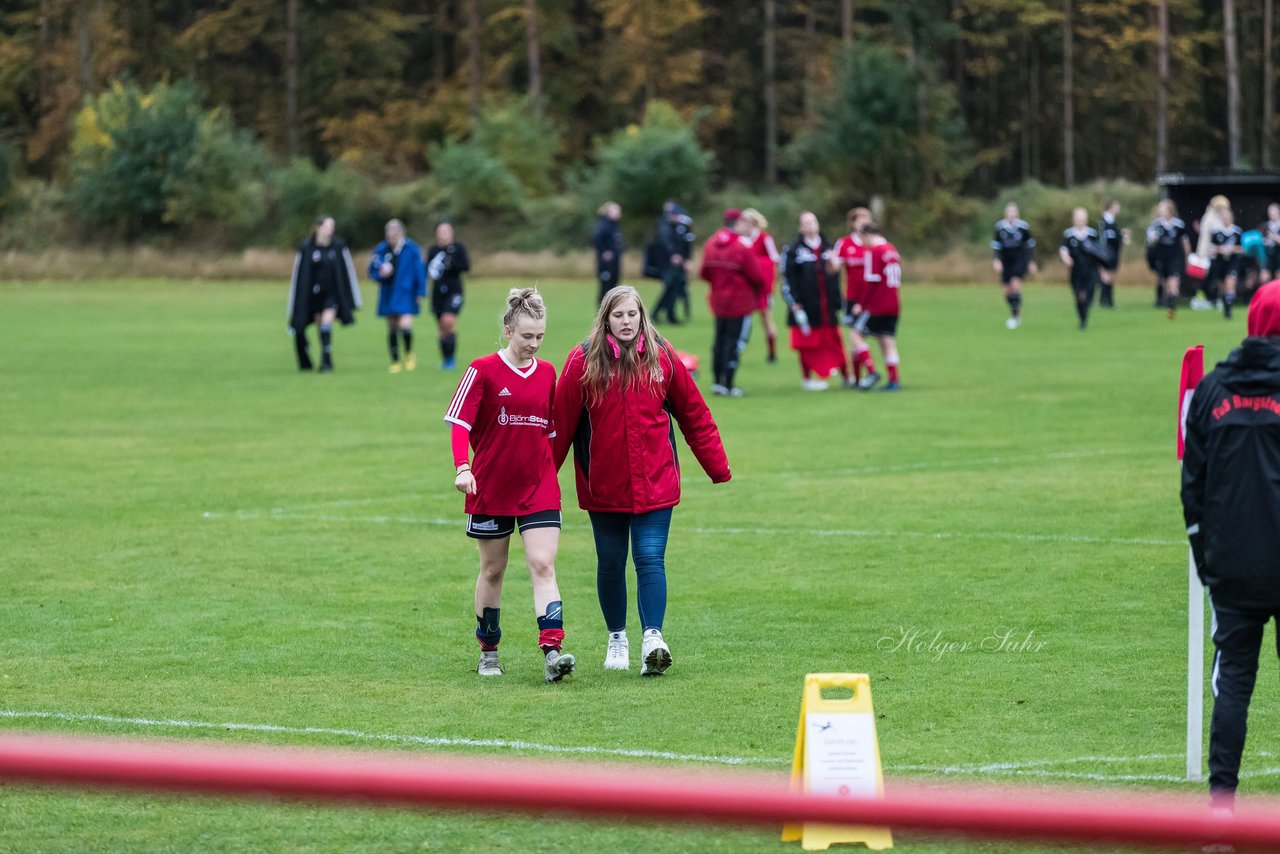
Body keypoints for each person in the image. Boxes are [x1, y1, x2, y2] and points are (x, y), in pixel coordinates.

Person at [552, 285, 731, 676]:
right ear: (606, 319)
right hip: (604, 488)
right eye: (618, 315)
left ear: (641, 316)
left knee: (650, 559)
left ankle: (653, 638)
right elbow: (559, 427)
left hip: (656, 483)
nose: (626, 321)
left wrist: (717, 466)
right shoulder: (582, 361)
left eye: (632, 314)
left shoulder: (663, 356)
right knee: (611, 563)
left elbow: (694, 414)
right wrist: (542, 482)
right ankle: (617, 638)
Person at [1181, 279, 1280, 816]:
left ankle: (1221, 809)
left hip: (1232, 564)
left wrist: (1205, 558)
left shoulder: (1215, 388)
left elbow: (1191, 484)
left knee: (1234, 683)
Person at [443, 288, 575, 683]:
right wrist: (462, 467)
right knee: (493, 570)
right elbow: (459, 423)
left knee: (543, 564)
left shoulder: (549, 373)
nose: (533, 345)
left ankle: (553, 652)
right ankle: (489, 650)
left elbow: (552, 433)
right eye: (526, 336)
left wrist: (550, 474)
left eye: (540, 337)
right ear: (507, 331)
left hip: (539, 489)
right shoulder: (481, 370)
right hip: (490, 489)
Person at [699, 209, 767, 396]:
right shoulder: (742, 246)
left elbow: (704, 273)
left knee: (719, 340)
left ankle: (717, 382)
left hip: (718, 301)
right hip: (740, 302)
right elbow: (757, 276)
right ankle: (729, 384)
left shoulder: (711, 243)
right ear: (737, 223)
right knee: (734, 343)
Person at [780, 211, 847, 390]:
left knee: (835, 341)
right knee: (807, 344)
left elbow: (835, 275)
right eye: (806, 223)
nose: (810, 225)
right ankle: (807, 379)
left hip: (827, 306)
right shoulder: (793, 249)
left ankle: (847, 376)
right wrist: (794, 304)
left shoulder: (828, 247)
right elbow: (787, 278)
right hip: (806, 306)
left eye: (813, 221)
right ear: (800, 227)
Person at [286, 215, 361, 372]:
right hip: (313, 295)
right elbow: (299, 276)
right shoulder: (307, 248)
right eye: (327, 226)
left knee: (326, 322)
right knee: (318, 324)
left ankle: (326, 361)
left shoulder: (338, 246)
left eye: (332, 226)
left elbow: (347, 272)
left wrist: (352, 299)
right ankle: (312, 358)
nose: (330, 230)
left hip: (331, 294)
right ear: (317, 228)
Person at [848, 222, 903, 390]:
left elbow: (870, 282)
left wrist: (861, 305)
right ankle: (894, 380)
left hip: (878, 305)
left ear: (866, 235)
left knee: (855, 335)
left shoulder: (874, 252)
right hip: (894, 304)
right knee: (887, 341)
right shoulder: (892, 250)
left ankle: (871, 371)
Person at [369, 219, 427, 374]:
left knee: (405, 325)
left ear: (401, 233)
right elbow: (373, 271)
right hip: (388, 292)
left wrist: (420, 291)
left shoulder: (412, 249)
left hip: (406, 292)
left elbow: (419, 271)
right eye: (389, 235)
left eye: (395, 235)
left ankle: (408, 354)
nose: (392, 238)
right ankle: (395, 361)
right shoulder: (381, 250)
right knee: (392, 327)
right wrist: (381, 274)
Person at [830, 206, 875, 386]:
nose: (864, 222)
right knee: (855, 337)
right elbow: (834, 268)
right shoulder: (844, 243)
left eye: (867, 219)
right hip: (852, 298)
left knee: (862, 336)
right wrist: (830, 262)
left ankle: (869, 373)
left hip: (872, 298)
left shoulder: (875, 242)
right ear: (853, 223)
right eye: (860, 219)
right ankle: (857, 378)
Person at [426, 222, 471, 370]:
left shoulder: (458, 248)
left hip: (454, 291)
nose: (443, 233)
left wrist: (451, 264)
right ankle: (446, 360)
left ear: (452, 233)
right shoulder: (433, 250)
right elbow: (428, 270)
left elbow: (465, 266)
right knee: (441, 327)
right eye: (440, 231)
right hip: (437, 293)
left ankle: (451, 359)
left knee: (448, 321)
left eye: (446, 231)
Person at [740, 208, 781, 363]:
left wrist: (771, 285)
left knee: (766, 319)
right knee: (744, 320)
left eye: (747, 221)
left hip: (762, 287)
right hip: (747, 287)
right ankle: (738, 350)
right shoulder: (741, 239)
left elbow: (774, 260)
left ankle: (772, 353)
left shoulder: (764, 238)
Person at [991, 202, 1038, 329]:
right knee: (1007, 292)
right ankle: (1015, 311)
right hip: (1006, 262)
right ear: (1006, 214)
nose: (1011, 215)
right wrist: (996, 260)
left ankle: (1015, 317)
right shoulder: (1000, 227)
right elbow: (996, 247)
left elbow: (1030, 246)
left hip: (1019, 260)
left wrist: (1032, 261)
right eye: (1009, 213)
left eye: (1013, 213)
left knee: (1015, 284)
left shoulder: (1023, 227)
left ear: (1017, 214)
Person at [1059, 208, 1107, 330]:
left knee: (1089, 294)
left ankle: (1085, 313)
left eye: (1082, 219)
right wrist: (1066, 259)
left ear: (1085, 220)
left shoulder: (1092, 234)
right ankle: (1082, 319)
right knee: (1079, 296)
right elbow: (1063, 250)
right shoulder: (1069, 234)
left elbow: (1099, 253)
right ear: (1073, 220)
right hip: (1077, 271)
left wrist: (1103, 270)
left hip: (1091, 270)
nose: (1080, 221)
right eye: (1078, 219)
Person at [651, 201, 695, 325]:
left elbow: (683, 244)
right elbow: (665, 243)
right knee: (670, 287)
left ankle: (670, 315)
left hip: (676, 264)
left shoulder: (677, 226)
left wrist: (685, 259)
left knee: (674, 288)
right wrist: (673, 254)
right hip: (666, 264)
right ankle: (656, 313)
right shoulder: (664, 226)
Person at [1146, 199, 1191, 319]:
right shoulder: (1156, 224)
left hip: (1175, 256)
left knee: (1174, 281)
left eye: (1163, 208)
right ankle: (1169, 305)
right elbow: (1150, 241)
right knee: (1165, 282)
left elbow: (1185, 242)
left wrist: (1187, 257)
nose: (1160, 210)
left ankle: (1172, 305)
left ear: (1170, 210)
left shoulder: (1178, 224)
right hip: (1162, 257)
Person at [1207, 206, 1244, 320]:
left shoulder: (1237, 231)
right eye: (1222, 217)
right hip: (1220, 262)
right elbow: (1212, 249)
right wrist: (1220, 249)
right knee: (1222, 286)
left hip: (1232, 261)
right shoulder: (1216, 232)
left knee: (1230, 282)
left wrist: (1231, 249)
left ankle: (1229, 304)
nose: (1225, 219)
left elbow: (1242, 248)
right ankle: (1226, 305)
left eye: (1227, 216)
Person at [1097, 200, 1130, 309]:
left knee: (1110, 275)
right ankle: (1107, 301)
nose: (1118, 208)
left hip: (1113, 251)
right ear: (1111, 207)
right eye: (1116, 206)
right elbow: (1108, 237)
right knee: (1106, 275)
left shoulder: (1111, 221)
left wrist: (1121, 234)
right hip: (1107, 252)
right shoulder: (1105, 221)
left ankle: (1106, 301)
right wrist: (1121, 236)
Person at [592, 201, 625, 305]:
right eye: (616, 210)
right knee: (606, 287)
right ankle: (601, 312)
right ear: (608, 212)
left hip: (614, 262)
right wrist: (605, 252)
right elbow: (596, 239)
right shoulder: (604, 224)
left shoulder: (614, 225)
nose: (618, 213)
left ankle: (610, 310)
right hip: (606, 264)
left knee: (613, 287)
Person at [1261, 203, 1280, 282]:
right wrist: (1265, 241)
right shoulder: (1265, 226)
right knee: (1264, 276)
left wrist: (1276, 238)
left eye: (1274, 211)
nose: (1271, 213)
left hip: (1278, 254)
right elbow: (1260, 240)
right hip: (1268, 254)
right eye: (1270, 211)